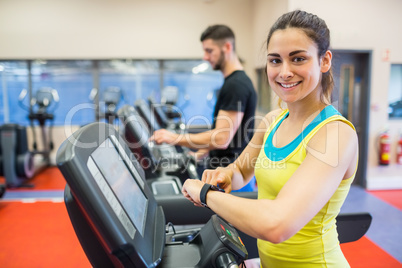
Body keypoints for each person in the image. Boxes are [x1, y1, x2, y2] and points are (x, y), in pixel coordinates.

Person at [181, 10, 358, 267]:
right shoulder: (273, 120)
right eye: (275, 60)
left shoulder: (335, 133)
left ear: (324, 61)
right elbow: (241, 170)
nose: (284, 72)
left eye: (298, 59)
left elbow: (277, 225)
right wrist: (225, 175)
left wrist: (206, 194)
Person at [150, 25, 257, 172]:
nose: (205, 57)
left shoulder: (236, 85)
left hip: (231, 174)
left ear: (226, 47)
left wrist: (173, 137)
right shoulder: (232, 82)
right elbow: (230, 136)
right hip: (224, 169)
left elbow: (221, 138)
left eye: (209, 51)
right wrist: (198, 155)